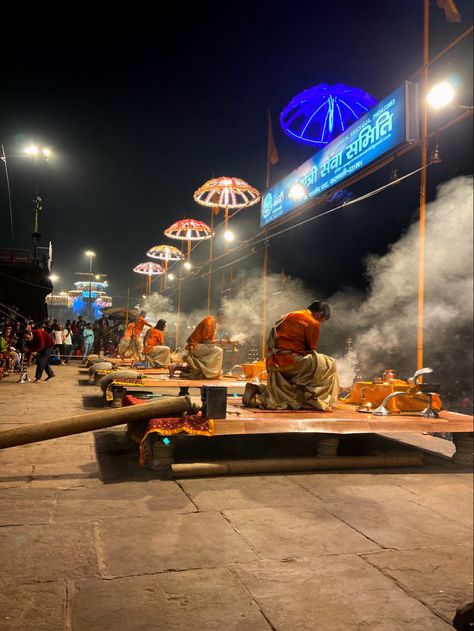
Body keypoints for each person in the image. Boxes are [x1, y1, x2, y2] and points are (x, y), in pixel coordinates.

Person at [243, 300, 339, 411]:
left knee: (316, 364)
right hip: (291, 362)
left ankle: (260, 389)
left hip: (273, 362)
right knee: (329, 364)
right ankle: (315, 398)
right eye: (322, 320)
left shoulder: (289, 315)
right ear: (320, 314)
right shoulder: (312, 322)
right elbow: (311, 349)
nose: (320, 323)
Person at [169, 311, 225, 379]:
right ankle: (211, 373)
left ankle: (174, 367)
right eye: (224, 319)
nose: (224, 321)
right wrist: (220, 341)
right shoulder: (209, 322)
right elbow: (206, 341)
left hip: (199, 346)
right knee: (219, 351)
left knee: (198, 368)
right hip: (195, 346)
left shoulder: (213, 322)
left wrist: (219, 342)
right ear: (220, 316)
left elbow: (208, 341)